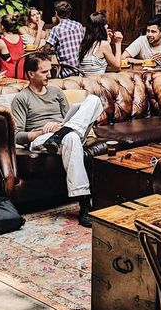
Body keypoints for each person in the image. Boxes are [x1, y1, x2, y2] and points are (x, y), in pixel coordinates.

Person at [11, 54, 101, 227]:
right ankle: (84, 204)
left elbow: (72, 118)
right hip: (42, 138)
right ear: (31, 74)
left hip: (64, 132)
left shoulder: (56, 92)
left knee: (94, 100)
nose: (49, 75)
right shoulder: (21, 98)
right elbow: (17, 135)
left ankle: (61, 135)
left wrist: (61, 126)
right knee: (72, 137)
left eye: (50, 70)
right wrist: (41, 131)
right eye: (44, 72)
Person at [47, 0, 85, 77]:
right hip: (80, 70)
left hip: (66, 71)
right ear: (69, 13)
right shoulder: (78, 25)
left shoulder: (57, 29)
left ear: (56, 14)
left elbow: (46, 49)